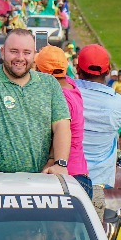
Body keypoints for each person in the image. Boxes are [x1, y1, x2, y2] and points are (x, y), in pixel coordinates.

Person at [0, 29, 71, 175]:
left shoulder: (49, 83)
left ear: (35, 54)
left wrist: (59, 163)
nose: (20, 57)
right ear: (3, 52)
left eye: (26, 52)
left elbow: (61, 125)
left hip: (39, 181)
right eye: (14, 51)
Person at [75, 44, 121, 204]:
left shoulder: (66, 94)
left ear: (77, 68)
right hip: (96, 184)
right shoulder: (119, 104)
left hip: (64, 180)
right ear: (109, 71)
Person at [36, 44, 90, 194]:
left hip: (65, 175)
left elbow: (57, 132)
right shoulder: (71, 85)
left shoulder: (61, 98)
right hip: (79, 172)